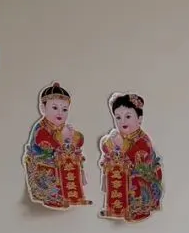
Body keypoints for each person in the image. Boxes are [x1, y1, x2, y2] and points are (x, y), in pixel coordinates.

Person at [23, 82, 91, 210]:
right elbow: (45, 143)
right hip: (44, 162)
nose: (60, 112)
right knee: (56, 171)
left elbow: (79, 141)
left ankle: (73, 193)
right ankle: (53, 197)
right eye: (55, 108)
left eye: (64, 109)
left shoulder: (64, 128)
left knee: (74, 160)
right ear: (43, 109)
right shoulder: (41, 128)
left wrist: (72, 136)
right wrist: (63, 142)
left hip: (62, 162)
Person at [99, 92, 163, 222]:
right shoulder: (118, 136)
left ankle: (137, 209)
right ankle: (115, 208)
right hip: (120, 176)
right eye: (118, 117)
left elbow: (137, 159)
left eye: (128, 116)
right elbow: (107, 151)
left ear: (139, 119)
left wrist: (120, 147)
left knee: (134, 184)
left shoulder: (143, 140)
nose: (122, 121)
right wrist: (110, 142)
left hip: (139, 176)